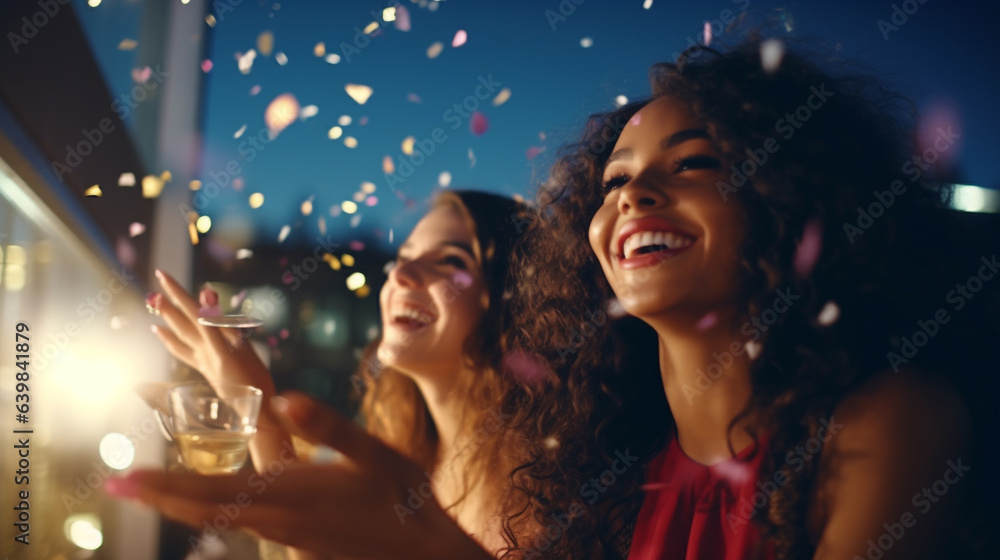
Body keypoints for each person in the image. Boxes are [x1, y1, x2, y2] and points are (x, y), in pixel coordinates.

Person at [503, 36, 992, 559]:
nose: (631, 194)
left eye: (691, 163)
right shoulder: (611, 470)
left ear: (793, 196)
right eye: (615, 178)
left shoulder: (893, 418)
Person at [124, 190, 533, 558]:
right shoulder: (402, 467)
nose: (401, 275)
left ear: (521, 300)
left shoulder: (557, 488)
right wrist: (256, 405)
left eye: (451, 260)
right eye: (404, 258)